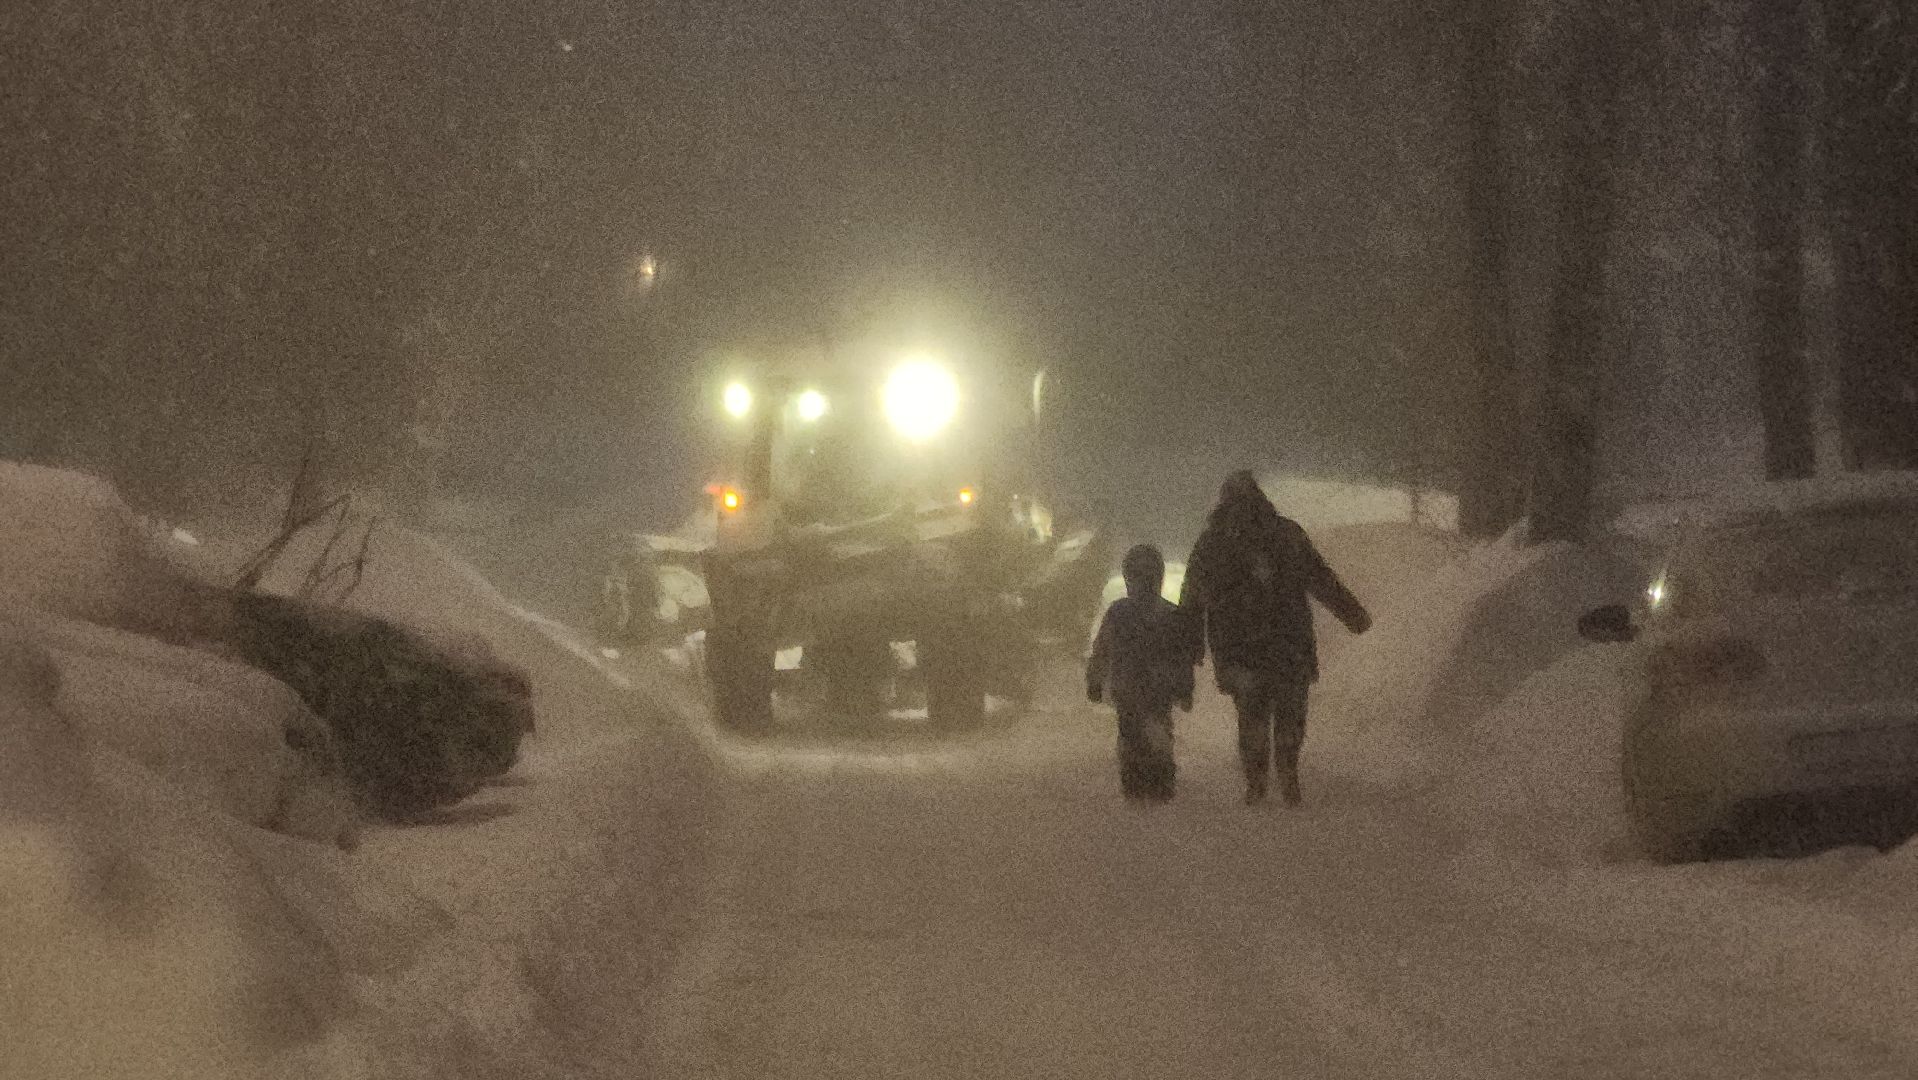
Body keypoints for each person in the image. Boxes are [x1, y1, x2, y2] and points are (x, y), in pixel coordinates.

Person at [1180, 472, 1372, 806]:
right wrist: (1354, 616)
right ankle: (1287, 772)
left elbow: (1193, 597)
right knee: (1290, 713)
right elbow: (1320, 579)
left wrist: (1189, 642)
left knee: (1251, 714)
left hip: (1239, 648)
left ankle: (1256, 783)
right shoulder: (1287, 535)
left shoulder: (1213, 542)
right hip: (1289, 644)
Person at [1086, 544, 1195, 802]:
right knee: (1158, 727)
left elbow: (1102, 649)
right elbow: (1182, 657)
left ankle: (1135, 779)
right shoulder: (1169, 614)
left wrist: (1095, 680)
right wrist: (1185, 687)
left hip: (1128, 686)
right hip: (1160, 685)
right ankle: (1160, 777)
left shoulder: (1119, 612)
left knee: (1130, 731)